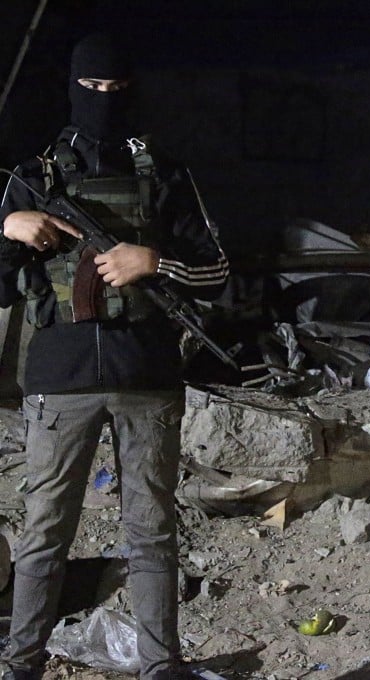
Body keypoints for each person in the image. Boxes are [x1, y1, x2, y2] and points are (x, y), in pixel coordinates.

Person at [0, 33, 229, 680]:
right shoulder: (35, 176)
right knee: (45, 532)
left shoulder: (164, 171)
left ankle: (161, 665)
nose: (104, 101)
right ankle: (21, 663)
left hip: (148, 375)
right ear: (73, 87)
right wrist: (8, 227)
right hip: (59, 378)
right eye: (92, 89)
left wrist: (155, 261)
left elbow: (217, 270)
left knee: (152, 532)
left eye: (117, 90)